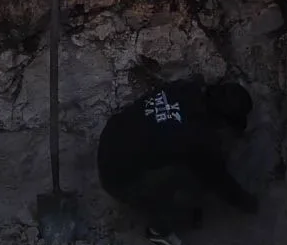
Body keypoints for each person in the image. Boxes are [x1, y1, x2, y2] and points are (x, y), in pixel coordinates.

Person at [96, 79, 257, 234]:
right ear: (221, 121)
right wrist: (249, 204)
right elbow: (221, 182)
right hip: (117, 180)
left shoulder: (185, 88)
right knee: (193, 180)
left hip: (110, 141)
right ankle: (159, 230)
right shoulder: (200, 139)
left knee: (182, 160)